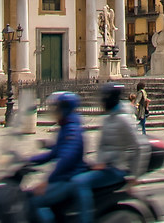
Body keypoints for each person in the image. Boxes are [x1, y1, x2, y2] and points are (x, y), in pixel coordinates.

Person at [61, 84, 143, 223]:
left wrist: (135, 176)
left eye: (105, 97)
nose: (103, 101)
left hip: (116, 169)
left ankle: (85, 219)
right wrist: (98, 162)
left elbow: (139, 146)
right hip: (105, 166)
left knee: (79, 182)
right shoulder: (108, 118)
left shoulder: (123, 119)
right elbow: (103, 146)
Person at [26, 91, 87, 223]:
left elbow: (66, 158)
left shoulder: (72, 129)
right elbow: (53, 153)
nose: (55, 111)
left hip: (68, 179)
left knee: (36, 201)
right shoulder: (66, 126)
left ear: (64, 109)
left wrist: (47, 181)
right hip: (63, 177)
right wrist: (28, 161)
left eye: (57, 108)